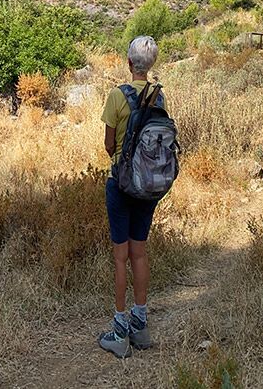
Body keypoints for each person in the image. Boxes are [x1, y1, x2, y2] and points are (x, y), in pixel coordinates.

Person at [97, 35, 165, 358]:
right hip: (149, 187)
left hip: (122, 185)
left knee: (120, 256)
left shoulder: (116, 96)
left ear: (129, 63)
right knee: (140, 253)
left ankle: (120, 332)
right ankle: (141, 326)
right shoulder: (159, 97)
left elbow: (109, 146)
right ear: (150, 65)